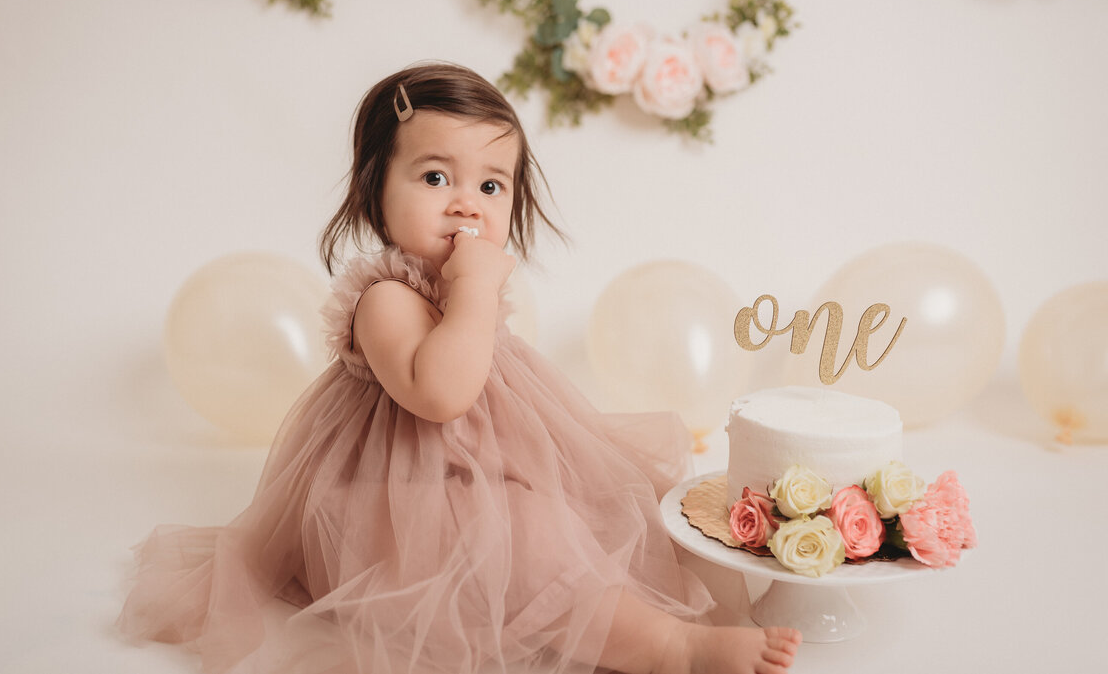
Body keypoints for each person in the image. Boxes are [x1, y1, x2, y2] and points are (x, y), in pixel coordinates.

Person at [118, 62, 801, 674]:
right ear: (374, 192)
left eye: (492, 184)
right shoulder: (384, 297)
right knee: (529, 542)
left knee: (586, 516)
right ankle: (668, 649)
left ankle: (609, 607)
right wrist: (474, 290)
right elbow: (443, 395)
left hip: (477, 474)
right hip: (393, 503)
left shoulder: (456, 283)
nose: (466, 201)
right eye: (435, 176)